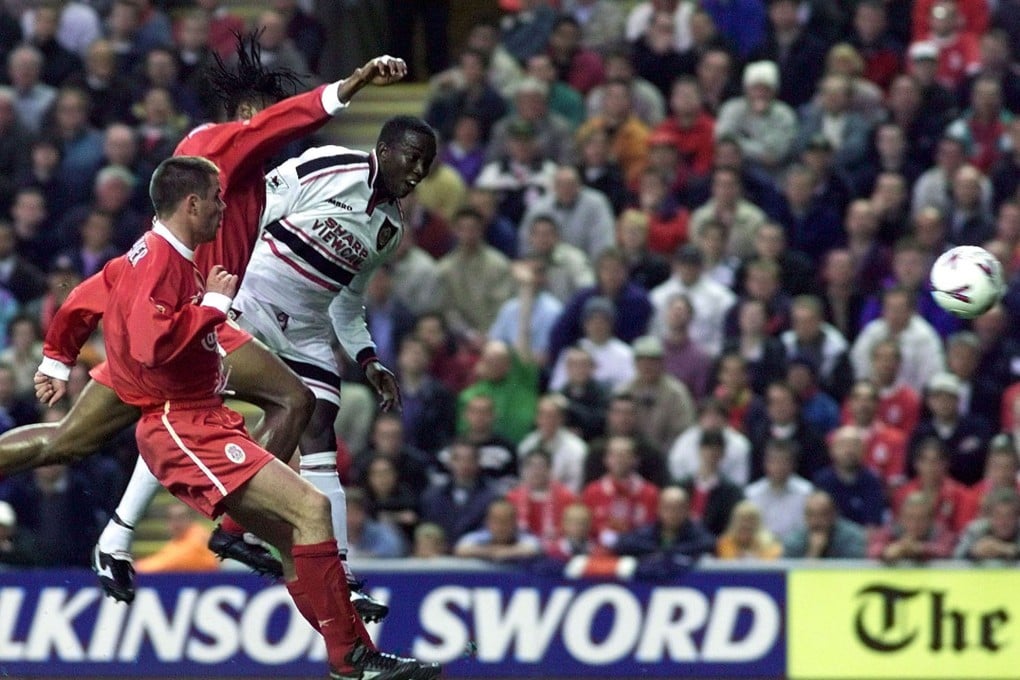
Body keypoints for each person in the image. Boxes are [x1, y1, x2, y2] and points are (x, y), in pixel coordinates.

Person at [27, 40, 410, 610]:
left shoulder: (251, 178)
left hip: (194, 320)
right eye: (261, 117)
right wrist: (350, 84)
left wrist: (57, 356)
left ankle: (121, 537)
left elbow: (107, 279)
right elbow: (283, 125)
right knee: (288, 404)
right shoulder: (219, 153)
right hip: (202, 319)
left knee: (69, 443)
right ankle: (232, 529)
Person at [75, 156, 438, 680]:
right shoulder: (169, 256)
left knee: (304, 489)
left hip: (298, 335)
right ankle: (129, 530)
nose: (415, 174)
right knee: (302, 471)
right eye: (215, 200)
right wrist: (217, 302)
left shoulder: (388, 228)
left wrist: (367, 358)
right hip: (244, 317)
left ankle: (353, 651)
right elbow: (253, 212)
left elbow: (349, 300)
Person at [744, 438, 813, 538]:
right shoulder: (751, 493)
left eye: (784, 461)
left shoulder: (807, 492)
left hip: (796, 548)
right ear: (765, 463)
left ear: (793, 464)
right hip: (761, 549)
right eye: (774, 461)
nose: (779, 466)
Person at [867, 491, 956, 562]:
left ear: (931, 519)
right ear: (901, 518)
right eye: (910, 517)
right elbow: (872, 550)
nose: (915, 524)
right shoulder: (891, 530)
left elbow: (946, 550)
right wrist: (887, 551)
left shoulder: (941, 532)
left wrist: (920, 549)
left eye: (921, 518)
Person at [135, 503, 219, 573]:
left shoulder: (197, 537)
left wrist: (133, 568)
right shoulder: (177, 541)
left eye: (180, 518)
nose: (175, 523)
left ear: (191, 518)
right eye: (171, 518)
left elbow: (167, 562)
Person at [783, 491, 867, 558]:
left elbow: (855, 570)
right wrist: (814, 552)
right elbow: (790, 574)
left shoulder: (853, 537)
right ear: (805, 516)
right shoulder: (794, 540)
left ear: (834, 514)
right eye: (811, 515)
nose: (816, 521)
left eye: (822, 514)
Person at [453, 499, 543, 562]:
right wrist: (492, 552)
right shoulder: (479, 537)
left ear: (515, 522)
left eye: (506, 521)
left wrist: (503, 553)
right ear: (487, 522)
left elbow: (533, 549)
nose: (501, 527)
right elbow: (461, 549)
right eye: (496, 521)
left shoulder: (524, 537)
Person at [954, 488, 1020, 560]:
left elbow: (1011, 550)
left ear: (1017, 517)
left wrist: (1005, 549)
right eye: (998, 516)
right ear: (989, 517)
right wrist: (973, 552)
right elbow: (955, 558)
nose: (1003, 522)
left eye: (1009, 516)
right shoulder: (975, 531)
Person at [715, 501, 783, 560]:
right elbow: (728, 562)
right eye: (742, 519)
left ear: (759, 524)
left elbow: (769, 565)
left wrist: (754, 558)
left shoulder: (770, 545)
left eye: (751, 520)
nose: (746, 524)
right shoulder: (725, 542)